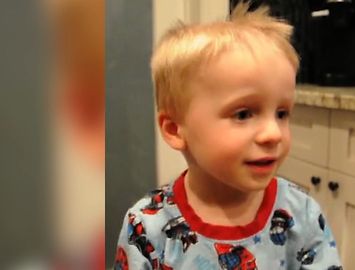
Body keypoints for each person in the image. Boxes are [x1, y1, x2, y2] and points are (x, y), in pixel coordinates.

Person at [114, 2, 342, 269]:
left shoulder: (301, 214)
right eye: (243, 114)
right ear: (175, 129)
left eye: (282, 113)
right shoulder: (147, 225)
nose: (273, 133)